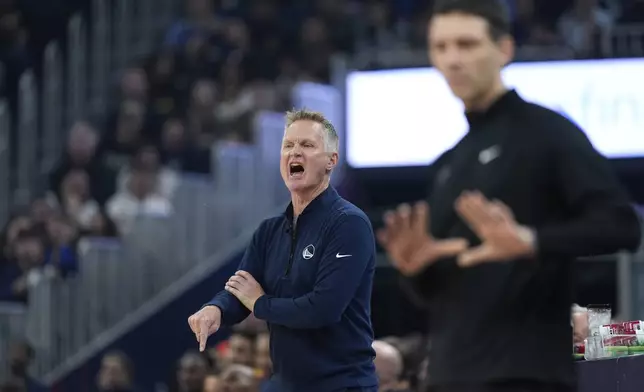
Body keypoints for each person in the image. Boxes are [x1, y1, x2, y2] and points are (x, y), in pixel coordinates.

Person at [376, 1, 643, 392]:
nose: (452, 60)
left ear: (504, 49)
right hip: (451, 374)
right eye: (441, 47)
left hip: (528, 372)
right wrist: (415, 270)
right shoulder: (448, 164)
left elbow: (622, 226)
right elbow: (442, 294)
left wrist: (532, 242)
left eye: (466, 44)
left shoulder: (547, 132)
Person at [188, 109, 378, 392]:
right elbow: (240, 291)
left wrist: (261, 304)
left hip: (342, 384)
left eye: (307, 145)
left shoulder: (349, 224)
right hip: (286, 384)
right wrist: (215, 308)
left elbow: (322, 309)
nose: (295, 153)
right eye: (288, 145)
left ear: (331, 161)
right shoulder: (269, 231)